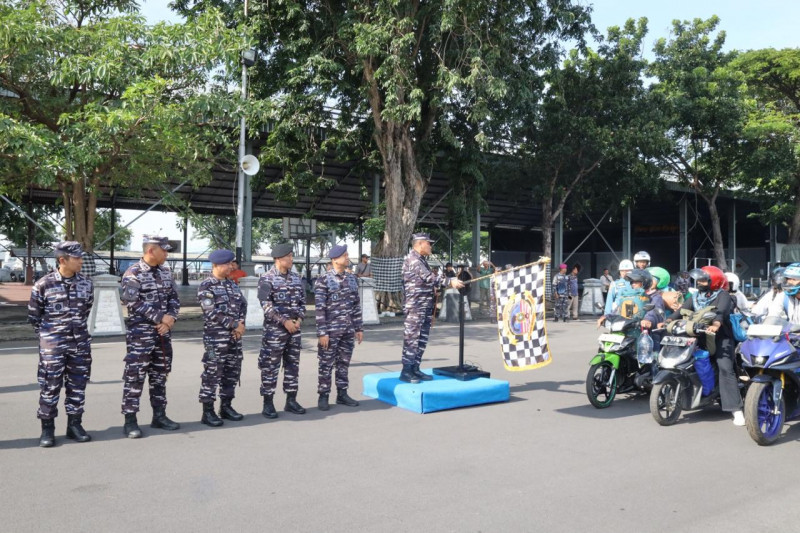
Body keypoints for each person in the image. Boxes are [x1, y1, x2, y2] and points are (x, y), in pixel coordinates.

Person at [28, 241, 94, 447]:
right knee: (50, 386)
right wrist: (50, 337)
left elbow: (87, 310)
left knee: (78, 386)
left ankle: (74, 425)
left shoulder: (86, 283)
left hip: (79, 344)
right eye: (77, 258)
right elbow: (34, 317)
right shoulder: (43, 285)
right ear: (62, 260)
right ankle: (47, 429)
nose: (81, 261)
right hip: (53, 347)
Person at [120, 235, 181, 439]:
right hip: (141, 335)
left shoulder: (166, 272)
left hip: (162, 334)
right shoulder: (133, 274)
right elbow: (131, 302)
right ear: (150, 251)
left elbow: (174, 298)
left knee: (160, 375)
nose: (166, 254)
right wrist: (159, 317)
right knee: (135, 377)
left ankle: (159, 416)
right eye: (163, 250)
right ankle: (130, 421)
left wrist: (170, 318)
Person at [667, 265, 744, 426]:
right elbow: (682, 310)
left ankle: (736, 410)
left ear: (713, 281)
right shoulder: (695, 296)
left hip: (721, 338)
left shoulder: (723, 295)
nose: (700, 282)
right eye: (699, 280)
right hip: (699, 336)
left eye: (704, 280)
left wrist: (716, 324)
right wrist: (667, 321)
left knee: (725, 368)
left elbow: (721, 312)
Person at [400, 233, 464, 383]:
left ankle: (415, 368)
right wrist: (450, 282)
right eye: (429, 243)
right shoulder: (413, 259)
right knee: (412, 339)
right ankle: (406, 371)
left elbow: (425, 281)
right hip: (415, 307)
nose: (430, 246)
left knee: (421, 339)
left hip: (424, 306)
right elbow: (429, 277)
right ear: (420, 244)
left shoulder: (421, 259)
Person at [197, 249, 247, 427]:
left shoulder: (232, 285)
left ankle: (226, 406)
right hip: (214, 340)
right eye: (228, 264)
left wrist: (240, 324)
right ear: (216, 265)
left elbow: (243, 305)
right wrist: (234, 325)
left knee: (231, 372)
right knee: (212, 373)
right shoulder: (207, 286)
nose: (231, 267)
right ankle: (208, 411)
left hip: (234, 338)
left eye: (231, 263)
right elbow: (210, 312)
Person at [257, 242, 307, 418]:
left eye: (292, 256)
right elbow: (266, 306)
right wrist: (285, 322)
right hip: (274, 333)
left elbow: (302, 302)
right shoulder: (266, 279)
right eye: (288, 257)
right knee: (270, 367)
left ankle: (291, 400)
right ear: (278, 259)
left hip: (294, 331)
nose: (291, 259)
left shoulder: (296, 278)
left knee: (293, 366)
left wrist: (299, 319)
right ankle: (268, 403)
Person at [314, 245, 363, 411]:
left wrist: (359, 328)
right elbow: (320, 309)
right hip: (330, 331)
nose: (348, 258)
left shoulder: (351, 279)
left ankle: (342, 393)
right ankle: (323, 395)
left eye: (347, 255)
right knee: (326, 364)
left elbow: (356, 305)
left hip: (348, 330)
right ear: (335, 259)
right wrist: (322, 332)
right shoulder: (323, 280)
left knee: (344, 363)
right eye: (345, 255)